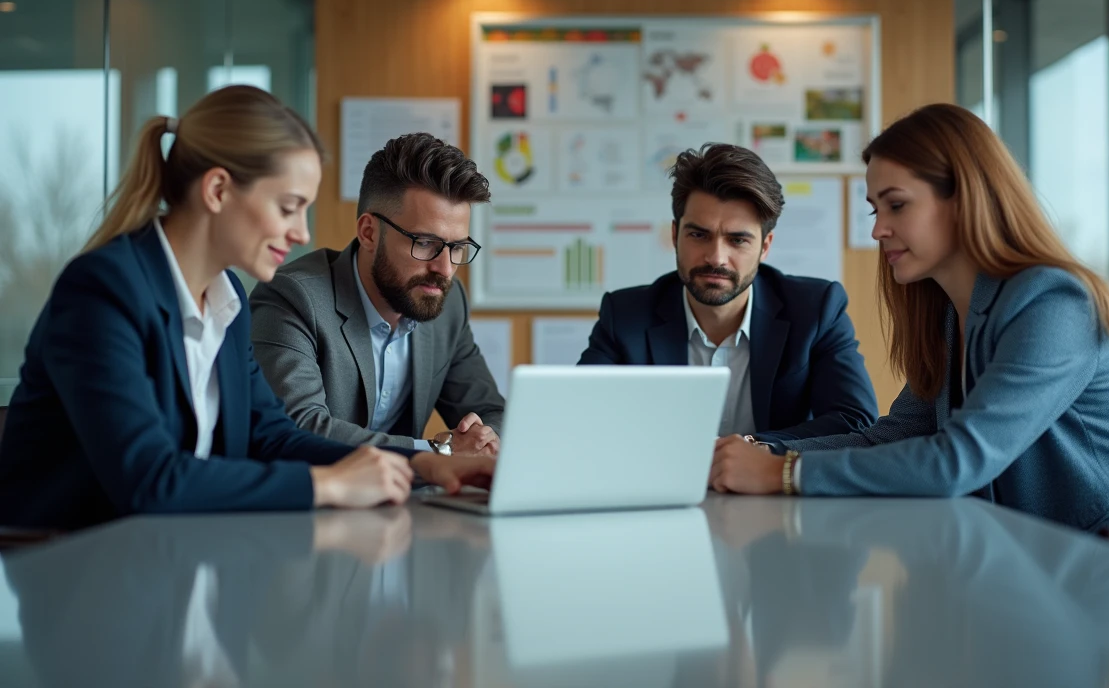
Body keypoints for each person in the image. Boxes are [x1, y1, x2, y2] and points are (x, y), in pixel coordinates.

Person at [0, 86, 493, 531]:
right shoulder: (102, 291)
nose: (301, 232)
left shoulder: (226, 301)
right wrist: (329, 486)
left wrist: (422, 465)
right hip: (71, 574)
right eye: (287, 207)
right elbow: (148, 479)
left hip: (171, 565)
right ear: (217, 191)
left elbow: (274, 437)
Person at [708, 103, 1109, 531]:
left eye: (896, 205)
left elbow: (960, 459)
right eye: (875, 209)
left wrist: (782, 473)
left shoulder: (1057, 304)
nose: (878, 230)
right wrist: (760, 451)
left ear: (964, 199)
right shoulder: (948, 314)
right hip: (1029, 561)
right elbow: (893, 435)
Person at [578, 143, 877, 444]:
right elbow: (580, 416)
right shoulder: (625, 315)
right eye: (698, 235)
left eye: (737, 240)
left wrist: (751, 450)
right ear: (674, 235)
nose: (716, 257)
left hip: (775, 488)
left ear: (765, 246)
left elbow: (855, 421)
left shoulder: (816, 309)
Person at [249, 133, 503, 455]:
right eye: (425, 243)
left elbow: (494, 413)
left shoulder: (447, 301)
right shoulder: (293, 297)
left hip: (404, 502)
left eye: (457, 248)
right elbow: (300, 427)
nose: (445, 268)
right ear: (369, 232)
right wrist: (438, 454)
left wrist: (487, 440)